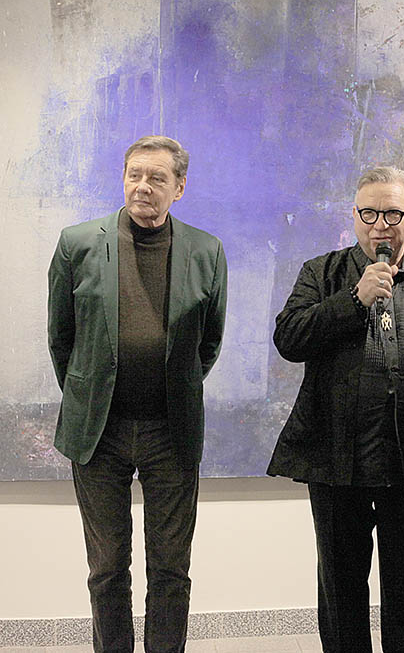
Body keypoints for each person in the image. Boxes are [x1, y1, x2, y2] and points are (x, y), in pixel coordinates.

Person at [266, 167, 404, 653]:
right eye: (369, 214)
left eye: (391, 214)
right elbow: (289, 339)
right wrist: (354, 299)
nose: (380, 225)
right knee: (341, 589)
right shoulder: (321, 273)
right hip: (338, 465)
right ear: (354, 217)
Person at [47, 135, 227, 652]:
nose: (143, 186)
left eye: (157, 178)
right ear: (124, 178)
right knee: (106, 568)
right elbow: (61, 338)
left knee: (171, 568)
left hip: (171, 432)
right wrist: (90, 393)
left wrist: (172, 388)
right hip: (98, 433)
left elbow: (209, 342)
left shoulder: (207, 251)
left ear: (179, 188)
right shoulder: (77, 243)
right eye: (135, 175)